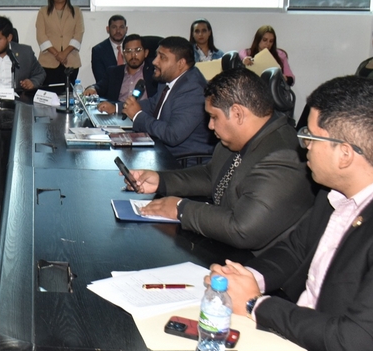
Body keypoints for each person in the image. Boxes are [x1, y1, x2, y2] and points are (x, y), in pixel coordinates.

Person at [209, 76, 373, 351]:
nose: (305, 147)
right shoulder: (333, 195)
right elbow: (295, 249)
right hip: (303, 339)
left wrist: (254, 304)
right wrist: (246, 278)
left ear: (344, 154)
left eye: (311, 137)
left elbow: (356, 345)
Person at [129, 68, 313, 251]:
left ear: (237, 114)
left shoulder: (284, 155)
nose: (210, 125)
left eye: (214, 117)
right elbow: (212, 175)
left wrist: (181, 209)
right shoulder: (239, 138)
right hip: (225, 246)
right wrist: (161, 181)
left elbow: (242, 230)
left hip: (257, 261)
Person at [122, 36, 214, 159]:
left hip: (181, 161)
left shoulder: (193, 89)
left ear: (180, 63)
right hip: (160, 150)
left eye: (162, 57)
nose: (155, 61)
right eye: (157, 55)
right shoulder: (168, 79)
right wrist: (118, 107)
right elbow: (153, 104)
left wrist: (137, 115)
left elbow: (172, 135)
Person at [83, 34, 157, 114]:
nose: (133, 55)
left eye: (137, 50)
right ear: (123, 54)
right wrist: (92, 88)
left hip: (143, 115)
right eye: (128, 51)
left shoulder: (154, 72)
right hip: (117, 115)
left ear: (146, 53)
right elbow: (99, 86)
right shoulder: (114, 72)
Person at [35, 0, 84, 89]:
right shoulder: (43, 12)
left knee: (68, 94)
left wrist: (64, 53)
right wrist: (57, 54)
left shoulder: (76, 11)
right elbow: (41, 36)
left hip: (70, 61)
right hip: (48, 62)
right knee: (50, 95)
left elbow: (78, 34)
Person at [90, 15, 128, 84]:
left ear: (126, 29)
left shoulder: (134, 47)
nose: (118, 31)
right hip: (110, 89)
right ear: (108, 29)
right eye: (114, 27)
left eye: (121, 27)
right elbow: (101, 80)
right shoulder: (98, 51)